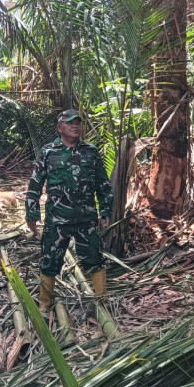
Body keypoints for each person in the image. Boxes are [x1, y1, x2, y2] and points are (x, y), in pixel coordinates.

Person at [26, 109, 114, 312]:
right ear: (59, 128)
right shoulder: (48, 152)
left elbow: (102, 184)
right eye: (70, 122)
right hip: (57, 221)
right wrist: (32, 214)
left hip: (86, 219)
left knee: (95, 259)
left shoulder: (91, 152)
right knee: (49, 262)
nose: (75, 126)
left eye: (78, 122)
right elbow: (35, 185)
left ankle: (102, 300)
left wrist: (105, 210)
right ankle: (44, 304)